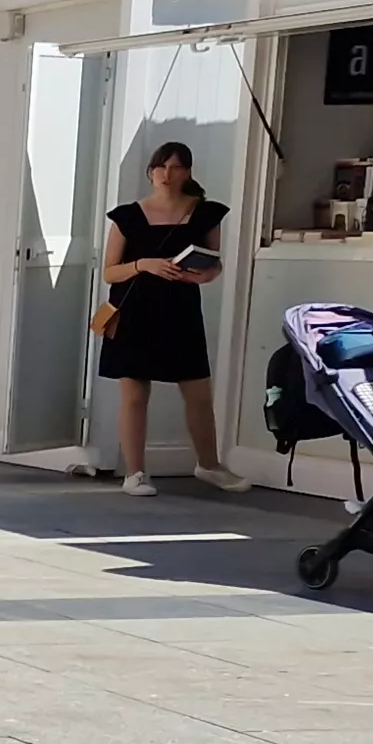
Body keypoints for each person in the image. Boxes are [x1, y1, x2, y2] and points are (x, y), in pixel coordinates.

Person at [99, 139, 253, 497]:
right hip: (133, 309)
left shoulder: (206, 212)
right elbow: (109, 272)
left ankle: (209, 465)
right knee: (135, 394)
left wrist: (204, 275)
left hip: (180, 309)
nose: (167, 175)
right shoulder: (127, 216)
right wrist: (144, 265)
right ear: (150, 172)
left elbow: (213, 261)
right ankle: (135, 472)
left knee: (198, 392)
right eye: (161, 167)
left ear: (188, 172)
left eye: (176, 167)